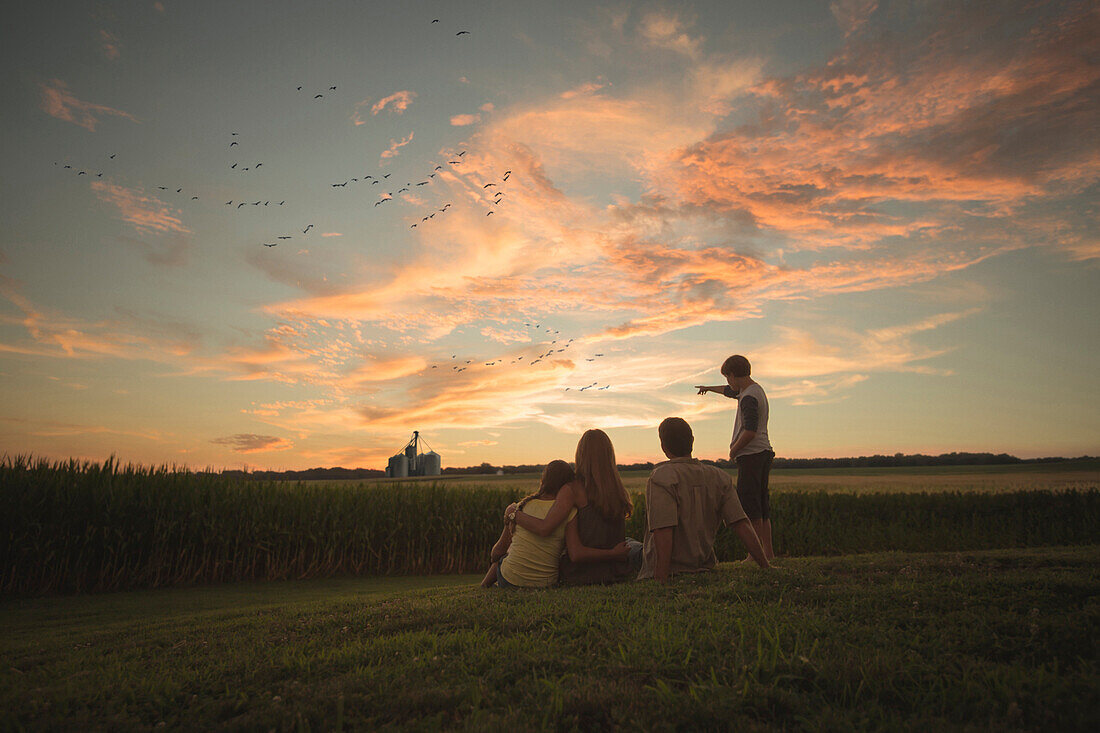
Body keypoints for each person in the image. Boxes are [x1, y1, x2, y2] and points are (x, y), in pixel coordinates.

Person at [638, 417, 770, 583]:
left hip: (671, 569)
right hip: (704, 565)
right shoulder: (719, 477)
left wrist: (661, 578)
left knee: (632, 549)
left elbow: (663, 530)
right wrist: (765, 565)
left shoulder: (662, 477)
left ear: (663, 446)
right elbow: (741, 523)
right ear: (692, 441)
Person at [508, 429, 641, 585]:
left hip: (582, 574)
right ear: (609, 455)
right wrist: (614, 554)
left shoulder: (573, 489)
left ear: (581, 454)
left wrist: (513, 514)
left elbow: (545, 528)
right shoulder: (618, 492)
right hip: (615, 572)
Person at [695, 354, 776, 562]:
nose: (727, 382)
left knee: (751, 507)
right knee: (762, 506)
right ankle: (768, 552)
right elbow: (729, 391)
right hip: (763, 453)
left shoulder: (748, 397)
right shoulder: (753, 390)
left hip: (751, 455)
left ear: (733, 374)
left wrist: (733, 450)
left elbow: (749, 431)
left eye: (727, 377)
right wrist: (708, 388)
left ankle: (754, 554)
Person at [481, 460, 577, 589]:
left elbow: (498, 551)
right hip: (546, 583)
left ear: (544, 480)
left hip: (510, 581)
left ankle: (485, 586)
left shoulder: (520, 507)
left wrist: (495, 556)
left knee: (503, 555)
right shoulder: (571, 511)